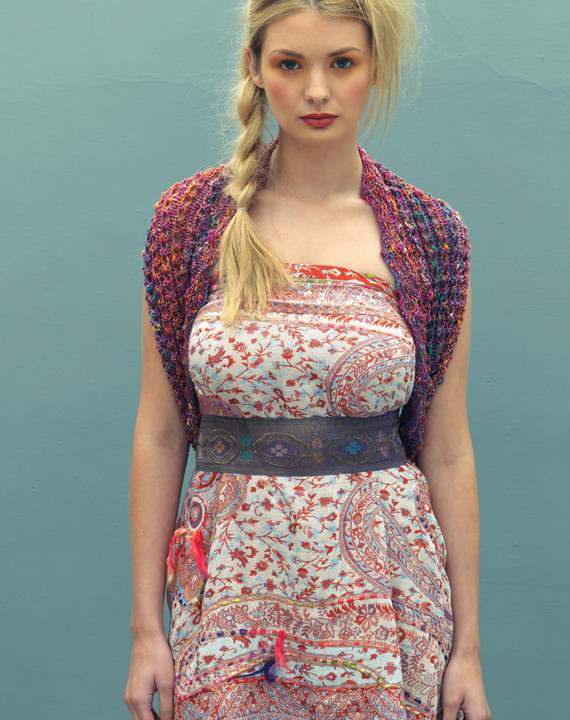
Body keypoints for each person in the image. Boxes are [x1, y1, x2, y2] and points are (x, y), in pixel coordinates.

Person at [125, 2, 491, 719]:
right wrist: (146, 631)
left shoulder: (430, 236)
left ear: (374, 68)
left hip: (385, 597)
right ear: (256, 70)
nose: (317, 90)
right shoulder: (190, 221)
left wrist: (469, 651)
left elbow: (449, 452)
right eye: (290, 64)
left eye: (341, 63)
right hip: (230, 588)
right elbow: (160, 433)